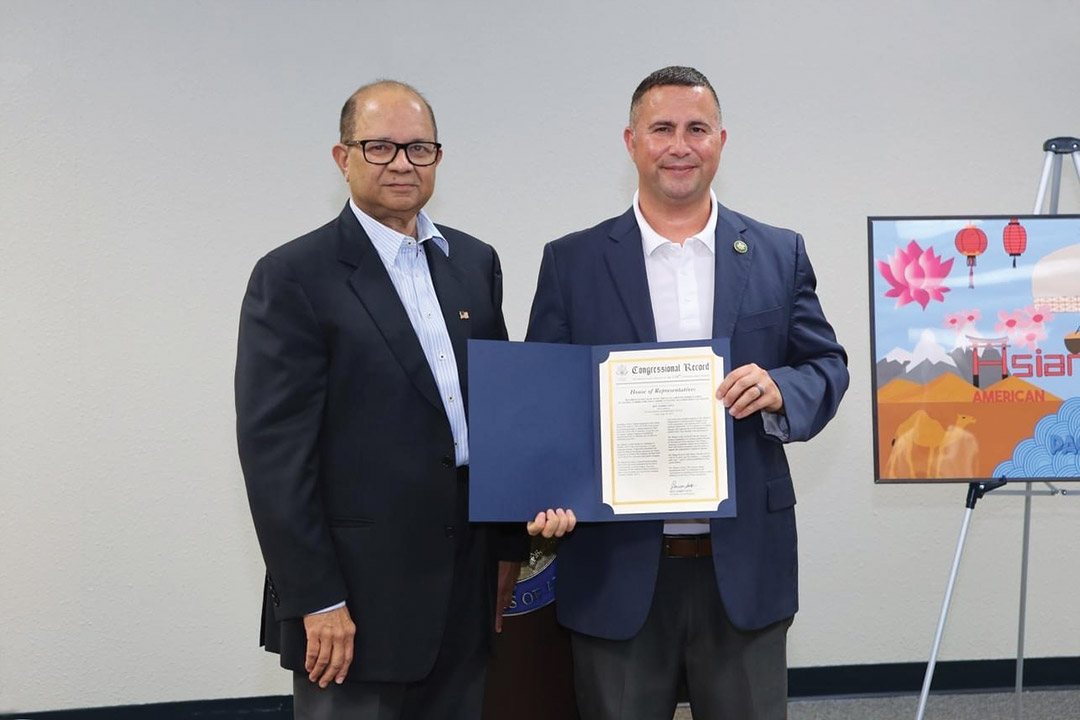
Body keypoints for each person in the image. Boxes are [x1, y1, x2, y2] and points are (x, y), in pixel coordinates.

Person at [524, 66, 849, 719]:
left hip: (743, 567)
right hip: (614, 567)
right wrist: (545, 494)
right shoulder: (573, 261)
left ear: (721, 141)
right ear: (632, 141)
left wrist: (781, 387)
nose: (680, 144)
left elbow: (827, 366)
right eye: (662, 128)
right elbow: (542, 401)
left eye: (696, 128)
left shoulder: (777, 253)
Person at [235, 80, 526, 720]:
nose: (402, 163)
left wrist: (508, 546)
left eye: (418, 148)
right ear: (343, 159)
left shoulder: (474, 263)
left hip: (464, 587)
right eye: (380, 147)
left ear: (438, 158)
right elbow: (275, 458)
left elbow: (498, 417)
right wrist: (314, 597)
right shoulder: (293, 277)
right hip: (353, 605)